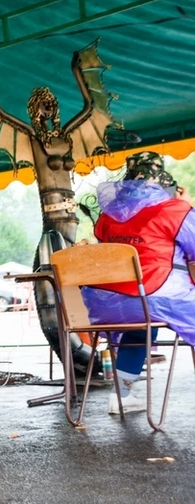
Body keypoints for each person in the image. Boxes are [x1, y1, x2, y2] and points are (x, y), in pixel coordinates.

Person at [82, 151, 195, 414]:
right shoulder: (175, 210)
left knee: (139, 326)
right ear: (162, 181)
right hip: (154, 296)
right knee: (150, 307)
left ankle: (122, 395)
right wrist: (187, 205)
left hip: (105, 304)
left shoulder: (107, 216)